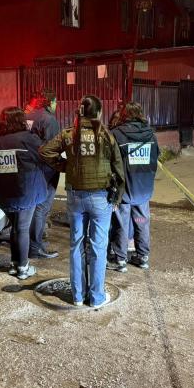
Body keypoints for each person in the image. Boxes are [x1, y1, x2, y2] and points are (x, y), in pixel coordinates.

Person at [40, 95, 125, 308]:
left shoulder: (70, 133)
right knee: (98, 246)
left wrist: (65, 166)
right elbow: (118, 167)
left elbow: (45, 151)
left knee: (76, 245)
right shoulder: (106, 135)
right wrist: (119, 195)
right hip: (100, 198)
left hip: (76, 197)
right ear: (98, 112)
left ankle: (77, 296)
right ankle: (96, 297)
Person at [0, 106, 49, 280]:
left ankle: (14, 263)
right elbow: (44, 157)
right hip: (26, 192)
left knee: (16, 226)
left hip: (4, 195)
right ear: (20, 120)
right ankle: (23, 268)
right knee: (23, 227)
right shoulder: (29, 139)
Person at [109, 102, 159, 272]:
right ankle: (143, 257)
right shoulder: (151, 135)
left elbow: (110, 160)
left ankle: (120, 259)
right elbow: (156, 157)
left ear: (124, 115)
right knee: (141, 221)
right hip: (144, 188)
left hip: (124, 188)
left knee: (122, 224)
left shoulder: (117, 134)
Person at [25, 88, 61, 260]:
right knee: (42, 207)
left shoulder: (28, 117)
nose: (56, 105)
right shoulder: (49, 120)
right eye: (55, 102)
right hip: (46, 170)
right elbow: (53, 148)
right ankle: (35, 247)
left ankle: (33, 242)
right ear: (50, 103)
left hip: (29, 167)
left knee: (33, 207)